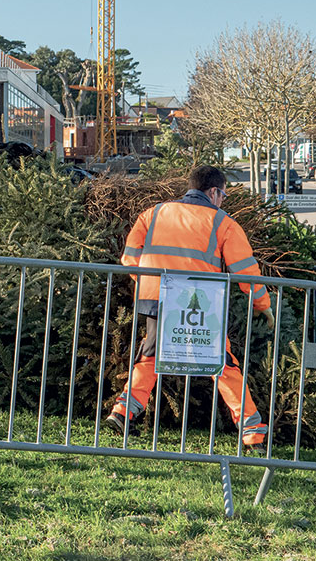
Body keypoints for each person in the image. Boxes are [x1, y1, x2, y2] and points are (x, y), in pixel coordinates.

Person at [105, 165, 272, 447]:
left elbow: (130, 258)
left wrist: (151, 284)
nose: (222, 201)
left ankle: (123, 412)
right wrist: (262, 303)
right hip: (201, 302)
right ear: (213, 192)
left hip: (156, 297)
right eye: (224, 196)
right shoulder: (223, 223)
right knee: (221, 361)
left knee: (151, 356)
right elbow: (245, 270)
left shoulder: (154, 214)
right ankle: (252, 430)